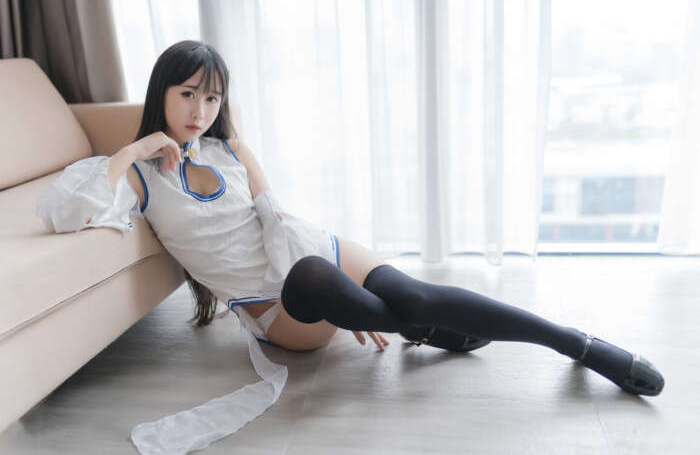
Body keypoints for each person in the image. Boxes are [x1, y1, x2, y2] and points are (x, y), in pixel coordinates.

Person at [36, 40, 664, 453]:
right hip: (279, 307)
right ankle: (420, 327)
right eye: (187, 94)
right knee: (316, 275)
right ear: (162, 94)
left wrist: (349, 295)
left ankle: (574, 343)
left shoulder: (230, 149)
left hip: (313, 257)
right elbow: (67, 213)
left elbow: (276, 220)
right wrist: (133, 149)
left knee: (408, 291)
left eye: (212, 96)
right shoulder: (139, 178)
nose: (200, 109)